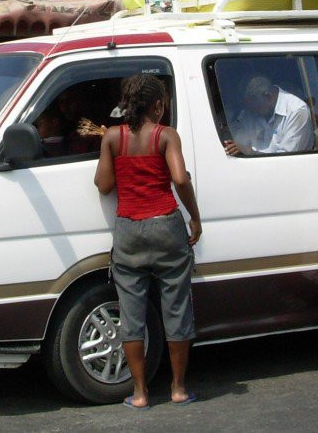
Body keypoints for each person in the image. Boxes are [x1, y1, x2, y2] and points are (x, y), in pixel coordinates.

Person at [94, 74, 202, 409]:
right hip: (166, 225)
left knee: (132, 314)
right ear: (157, 105)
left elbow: (103, 185)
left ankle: (140, 393)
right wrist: (195, 217)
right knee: (177, 307)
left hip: (129, 229)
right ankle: (179, 388)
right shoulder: (166, 136)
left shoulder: (113, 137)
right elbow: (180, 178)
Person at [224, 76, 314, 156]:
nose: (253, 112)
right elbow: (237, 135)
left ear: (268, 96)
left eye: (256, 108)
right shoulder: (250, 112)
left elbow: (289, 159)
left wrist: (250, 152)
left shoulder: (296, 111)